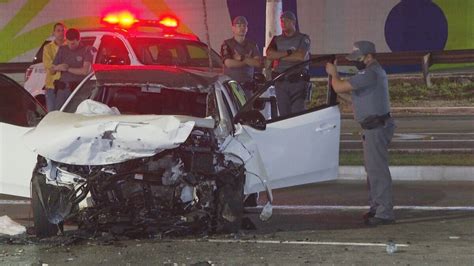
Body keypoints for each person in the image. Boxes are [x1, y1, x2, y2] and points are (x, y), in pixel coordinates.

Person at [325, 41, 396, 226]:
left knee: (377, 170)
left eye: (358, 59)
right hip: (374, 127)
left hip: (376, 127)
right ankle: (377, 208)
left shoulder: (370, 72)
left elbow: (339, 87)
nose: (356, 62)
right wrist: (339, 87)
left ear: (369, 56)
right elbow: (353, 95)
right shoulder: (370, 73)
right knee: (373, 170)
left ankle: (384, 212)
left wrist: (333, 74)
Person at [266, 11, 311, 117]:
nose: (283, 23)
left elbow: (300, 57)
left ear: (293, 22)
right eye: (281, 21)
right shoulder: (277, 39)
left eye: (286, 20)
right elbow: (269, 54)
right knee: (284, 115)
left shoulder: (303, 38)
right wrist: (288, 52)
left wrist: (279, 56)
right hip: (281, 82)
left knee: (297, 115)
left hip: (298, 82)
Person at [51, 28, 93, 110]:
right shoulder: (62, 50)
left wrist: (68, 69)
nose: (70, 45)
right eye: (68, 43)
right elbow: (51, 71)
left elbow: (85, 71)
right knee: (59, 113)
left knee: (76, 113)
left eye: (73, 43)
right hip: (62, 89)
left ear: (79, 40)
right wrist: (58, 67)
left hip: (78, 90)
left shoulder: (86, 50)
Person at [220, 16, 261, 98]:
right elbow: (229, 63)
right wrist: (248, 61)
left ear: (247, 28)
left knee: (247, 110)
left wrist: (242, 58)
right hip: (231, 87)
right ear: (233, 28)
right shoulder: (227, 44)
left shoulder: (252, 45)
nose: (242, 28)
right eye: (239, 26)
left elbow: (258, 63)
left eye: (244, 26)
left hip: (247, 88)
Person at [43, 22, 66, 112]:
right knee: (52, 113)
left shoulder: (69, 47)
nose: (61, 33)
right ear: (53, 33)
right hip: (52, 85)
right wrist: (60, 67)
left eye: (63, 30)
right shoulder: (48, 47)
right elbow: (49, 67)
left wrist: (56, 67)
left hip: (65, 86)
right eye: (58, 30)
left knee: (64, 114)